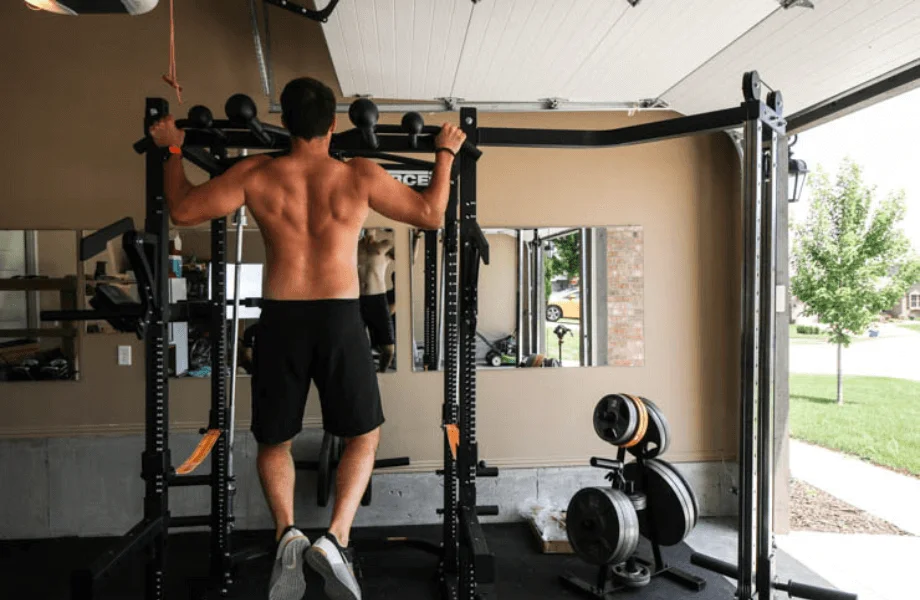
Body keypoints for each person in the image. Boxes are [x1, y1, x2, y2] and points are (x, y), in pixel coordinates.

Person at [148, 77, 466, 600]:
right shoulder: (359, 174)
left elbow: (182, 209)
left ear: (285, 124)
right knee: (364, 435)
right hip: (341, 319)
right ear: (334, 125)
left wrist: (173, 148)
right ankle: (336, 538)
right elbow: (432, 214)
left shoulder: (255, 173)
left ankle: (287, 533)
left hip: (281, 318)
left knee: (275, 438)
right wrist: (445, 153)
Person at [357, 229, 396, 372]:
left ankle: (382, 371)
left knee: (389, 350)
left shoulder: (385, 244)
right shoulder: (353, 246)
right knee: (355, 347)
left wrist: (416, 237)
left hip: (378, 300)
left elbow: (409, 259)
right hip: (356, 300)